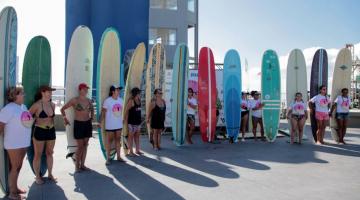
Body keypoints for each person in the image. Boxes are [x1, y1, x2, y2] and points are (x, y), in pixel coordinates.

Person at [0, 86, 33, 199]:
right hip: (13, 143)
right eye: (21, 93)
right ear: (14, 96)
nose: (24, 95)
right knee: (14, 167)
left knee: (19, 166)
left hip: (23, 142)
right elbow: (1, 126)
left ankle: (15, 188)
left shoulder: (23, 106)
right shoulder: (8, 109)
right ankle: (12, 193)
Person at [60, 83, 94, 172]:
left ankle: (83, 165)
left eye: (87, 89)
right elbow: (62, 109)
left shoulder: (89, 101)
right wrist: (65, 119)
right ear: (80, 90)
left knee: (85, 145)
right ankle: (77, 166)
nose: (86, 90)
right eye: (84, 89)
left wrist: (92, 118)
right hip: (78, 124)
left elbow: (92, 109)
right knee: (80, 146)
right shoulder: (74, 100)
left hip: (87, 124)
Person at [29, 85, 57, 185]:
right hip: (39, 131)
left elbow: (52, 119)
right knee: (38, 155)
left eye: (51, 92)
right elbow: (27, 117)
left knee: (50, 153)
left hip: (51, 131)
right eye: (48, 92)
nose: (50, 93)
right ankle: (37, 177)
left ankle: (50, 174)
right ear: (42, 92)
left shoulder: (53, 105)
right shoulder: (36, 105)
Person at [99, 85, 125, 165]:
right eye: (117, 90)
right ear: (112, 91)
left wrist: (123, 120)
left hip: (119, 125)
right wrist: (100, 122)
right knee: (109, 141)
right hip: (110, 125)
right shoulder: (107, 101)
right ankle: (108, 158)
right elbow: (103, 112)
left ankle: (119, 157)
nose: (119, 91)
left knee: (118, 140)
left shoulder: (121, 100)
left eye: (119, 90)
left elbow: (122, 112)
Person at [124, 87, 143, 156]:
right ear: (136, 93)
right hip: (131, 122)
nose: (140, 94)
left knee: (137, 136)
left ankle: (137, 150)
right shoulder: (131, 101)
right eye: (138, 93)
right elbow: (126, 111)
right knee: (130, 137)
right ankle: (130, 151)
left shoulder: (139, 99)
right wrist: (124, 120)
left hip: (138, 122)